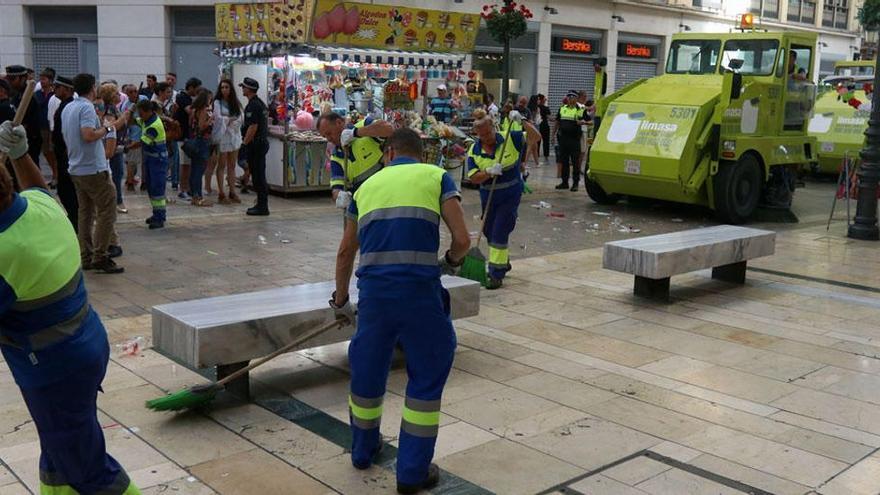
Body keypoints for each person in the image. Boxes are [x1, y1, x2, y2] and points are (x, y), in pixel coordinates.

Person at [0, 121, 142, 495]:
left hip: (53, 370)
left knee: (88, 470)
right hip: (84, 347)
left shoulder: (5, 252)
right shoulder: (40, 208)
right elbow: (36, 187)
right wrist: (21, 155)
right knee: (59, 452)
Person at [330, 127, 470, 495]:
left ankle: (362, 451)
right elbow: (463, 240)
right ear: (421, 154)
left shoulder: (364, 188)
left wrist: (341, 299)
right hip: (420, 294)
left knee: (367, 369)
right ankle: (411, 474)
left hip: (374, 296)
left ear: (388, 154)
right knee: (426, 373)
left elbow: (346, 252)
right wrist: (450, 262)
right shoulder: (436, 176)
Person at [61, 73, 124, 274]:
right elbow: (88, 135)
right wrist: (106, 129)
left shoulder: (68, 107)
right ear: (92, 88)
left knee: (85, 213)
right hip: (93, 168)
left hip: (76, 167)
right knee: (107, 211)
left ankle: (86, 256)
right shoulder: (86, 107)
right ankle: (100, 255)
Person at [466, 110, 525, 289]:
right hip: (489, 195)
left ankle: (495, 274)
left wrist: (523, 120)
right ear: (477, 134)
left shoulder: (510, 138)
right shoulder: (474, 150)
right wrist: (488, 172)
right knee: (489, 230)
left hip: (510, 193)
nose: (486, 137)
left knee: (500, 230)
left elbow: (535, 137)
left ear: (494, 127)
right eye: (482, 135)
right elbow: (473, 177)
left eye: (488, 133)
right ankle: (503, 261)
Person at [317, 112, 393, 208]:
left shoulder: (364, 125)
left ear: (339, 122)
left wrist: (356, 133)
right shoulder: (336, 157)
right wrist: (339, 196)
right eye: (325, 136)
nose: (328, 139)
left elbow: (388, 129)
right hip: (366, 203)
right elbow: (336, 187)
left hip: (388, 194)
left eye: (329, 133)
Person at [126, 100, 169, 229]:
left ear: (149, 111)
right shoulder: (146, 120)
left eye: (142, 113)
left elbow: (142, 142)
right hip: (151, 160)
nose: (140, 115)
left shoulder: (154, 125)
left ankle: (160, 217)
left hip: (158, 161)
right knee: (151, 187)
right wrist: (130, 112)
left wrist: (127, 147)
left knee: (157, 188)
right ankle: (156, 214)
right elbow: (132, 123)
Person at [239, 77, 270, 216]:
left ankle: (262, 206)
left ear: (249, 89)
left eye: (243, 87)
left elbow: (253, 127)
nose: (242, 89)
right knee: (259, 175)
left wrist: (244, 143)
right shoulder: (260, 104)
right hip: (261, 143)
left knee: (258, 176)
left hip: (256, 144)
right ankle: (261, 204)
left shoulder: (253, 106)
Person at [51, 76, 78, 231]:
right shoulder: (64, 105)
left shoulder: (69, 106)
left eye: (58, 87)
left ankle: (76, 221)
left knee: (68, 192)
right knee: (63, 191)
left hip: (67, 156)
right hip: (61, 154)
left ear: (67, 89)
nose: (55, 90)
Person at [211, 79, 243, 204]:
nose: (224, 89)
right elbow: (217, 118)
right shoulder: (217, 102)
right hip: (223, 136)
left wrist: (232, 121)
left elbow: (240, 117)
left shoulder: (235, 102)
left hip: (234, 135)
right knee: (222, 164)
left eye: (227, 87)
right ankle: (221, 193)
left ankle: (232, 192)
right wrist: (228, 120)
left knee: (232, 165)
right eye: (222, 87)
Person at [99, 83, 128, 214]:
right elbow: (111, 127)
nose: (119, 96)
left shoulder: (114, 108)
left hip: (118, 145)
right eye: (116, 93)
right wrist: (123, 118)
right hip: (113, 146)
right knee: (116, 174)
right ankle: (117, 201)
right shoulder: (110, 109)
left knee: (118, 174)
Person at [5, 65, 42, 163]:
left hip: (27, 142)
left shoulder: (29, 98)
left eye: (13, 79)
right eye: (9, 79)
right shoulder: (16, 96)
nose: (10, 82)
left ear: (23, 78)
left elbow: (32, 125)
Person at [554, 92, 588, 192]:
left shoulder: (580, 110)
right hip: (563, 139)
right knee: (564, 161)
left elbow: (590, 121)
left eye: (572, 96)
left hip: (574, 139)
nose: (570, 98)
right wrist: (553, 135)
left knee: (575, 162)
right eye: (568, 96)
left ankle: (575, 183)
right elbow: (557, 121)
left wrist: (583, 122)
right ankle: (565, 183)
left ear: (576, 98)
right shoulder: (562, 108)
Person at [174, 78, 200, 201]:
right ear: (190, 87)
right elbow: (190, 111)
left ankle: (188, 187)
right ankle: (182, 189)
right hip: (182, 136)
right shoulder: (182, 97)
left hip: (189, 136)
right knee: (184, 164)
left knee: (188, 164)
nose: (197, 92)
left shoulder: (189, 99)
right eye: (196, 89)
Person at [187, 89, 214, 207]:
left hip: (194, 140)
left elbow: (191, 125)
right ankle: (197, 196)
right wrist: (211, 120)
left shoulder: (194, 110)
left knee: (194, 169)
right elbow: (201, 126)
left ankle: (194, 194)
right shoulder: (203, 110)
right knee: (199, 169)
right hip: (202, 141)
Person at [35, 67, 58, 187]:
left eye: (44, 79)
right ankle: (55, 173)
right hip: (42, 127)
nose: (41, 81)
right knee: (46, 152)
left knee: (53, 151)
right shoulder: (37, 94)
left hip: (53, 127)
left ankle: (56, 175)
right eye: (40, 79)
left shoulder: (55, 94)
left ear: (50, 80)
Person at [537, 94, 551, 161]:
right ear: (543, 100)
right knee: (546, 141)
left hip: (538, 125)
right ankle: (546, 156)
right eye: (545, 99)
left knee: (537, 140)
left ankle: (537, 155)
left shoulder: (536, 107)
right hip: (545, 125)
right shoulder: (546, 108)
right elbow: (549, 117)